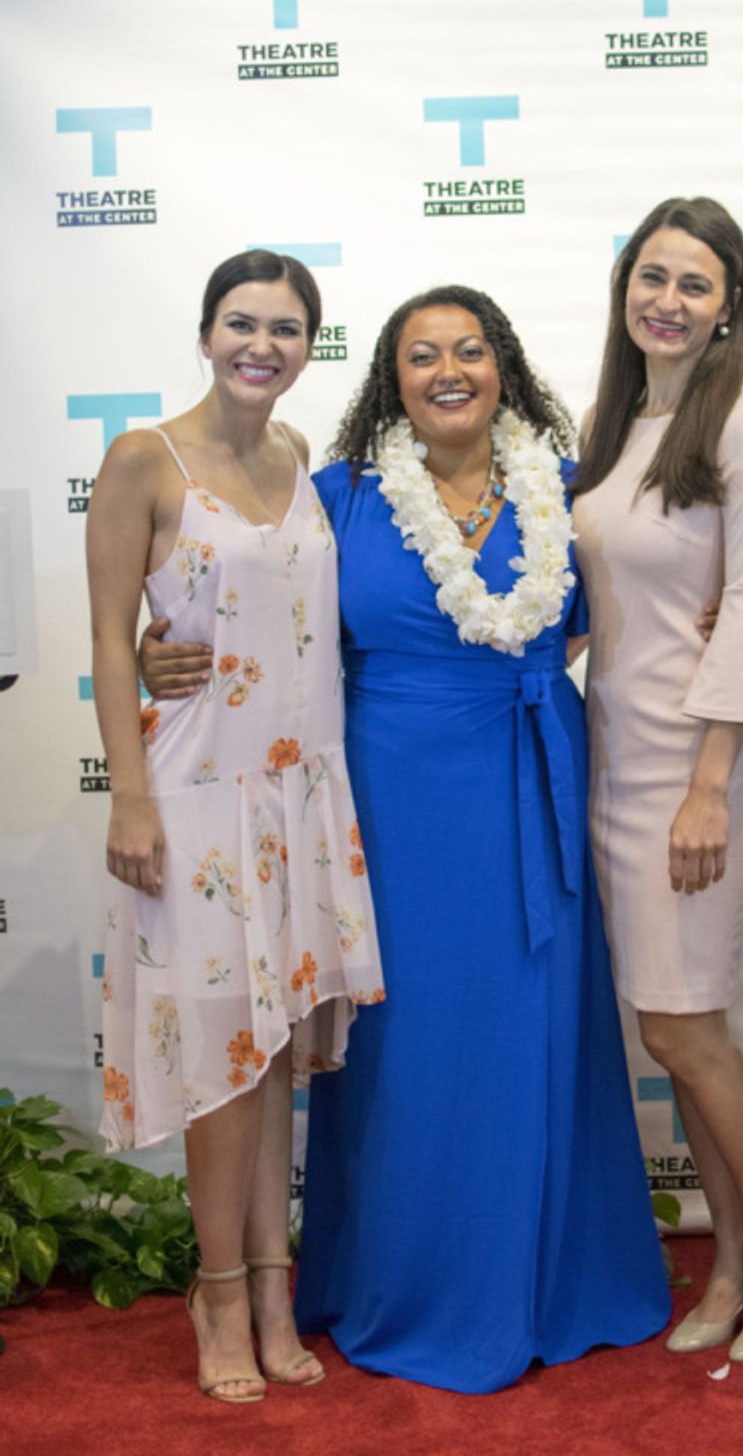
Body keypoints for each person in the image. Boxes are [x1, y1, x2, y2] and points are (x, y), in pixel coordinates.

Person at [269, 286, 666, 1391]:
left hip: (535, 780)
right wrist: (162, 659)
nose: (450, 370)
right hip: (395, 803)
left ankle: (551, 1280)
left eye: (471, 350)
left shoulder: (566, 489)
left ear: (506, 367)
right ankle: (410, 1281)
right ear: (389, 381)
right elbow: (254, 605)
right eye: (421, 355)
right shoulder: (340, 497)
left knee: (537, 1031)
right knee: (415, 1043)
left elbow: (616, 616)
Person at [87, 249, 384, 1403]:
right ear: (207, 333)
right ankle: (216, 1292)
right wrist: (129, 794)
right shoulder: (141, 458)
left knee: (270, 1064)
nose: (264, 344)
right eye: (242, 323)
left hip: (302, 795)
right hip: (198, 795)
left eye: (289, 328)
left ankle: (272, 1283)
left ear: (311, 345)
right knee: (219, 1060)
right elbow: (117, 640)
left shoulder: (300, 455)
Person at [572, 197, 743, 1366]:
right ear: (628, 288)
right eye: (653, 277)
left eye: (696, 284)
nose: (667, 301)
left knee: (688, 1027)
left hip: (699, 764)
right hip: (613, 754)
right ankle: (731, 1257)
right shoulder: (614, 425)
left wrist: (712, 784)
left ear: (730, 309)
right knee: (671, 1032)